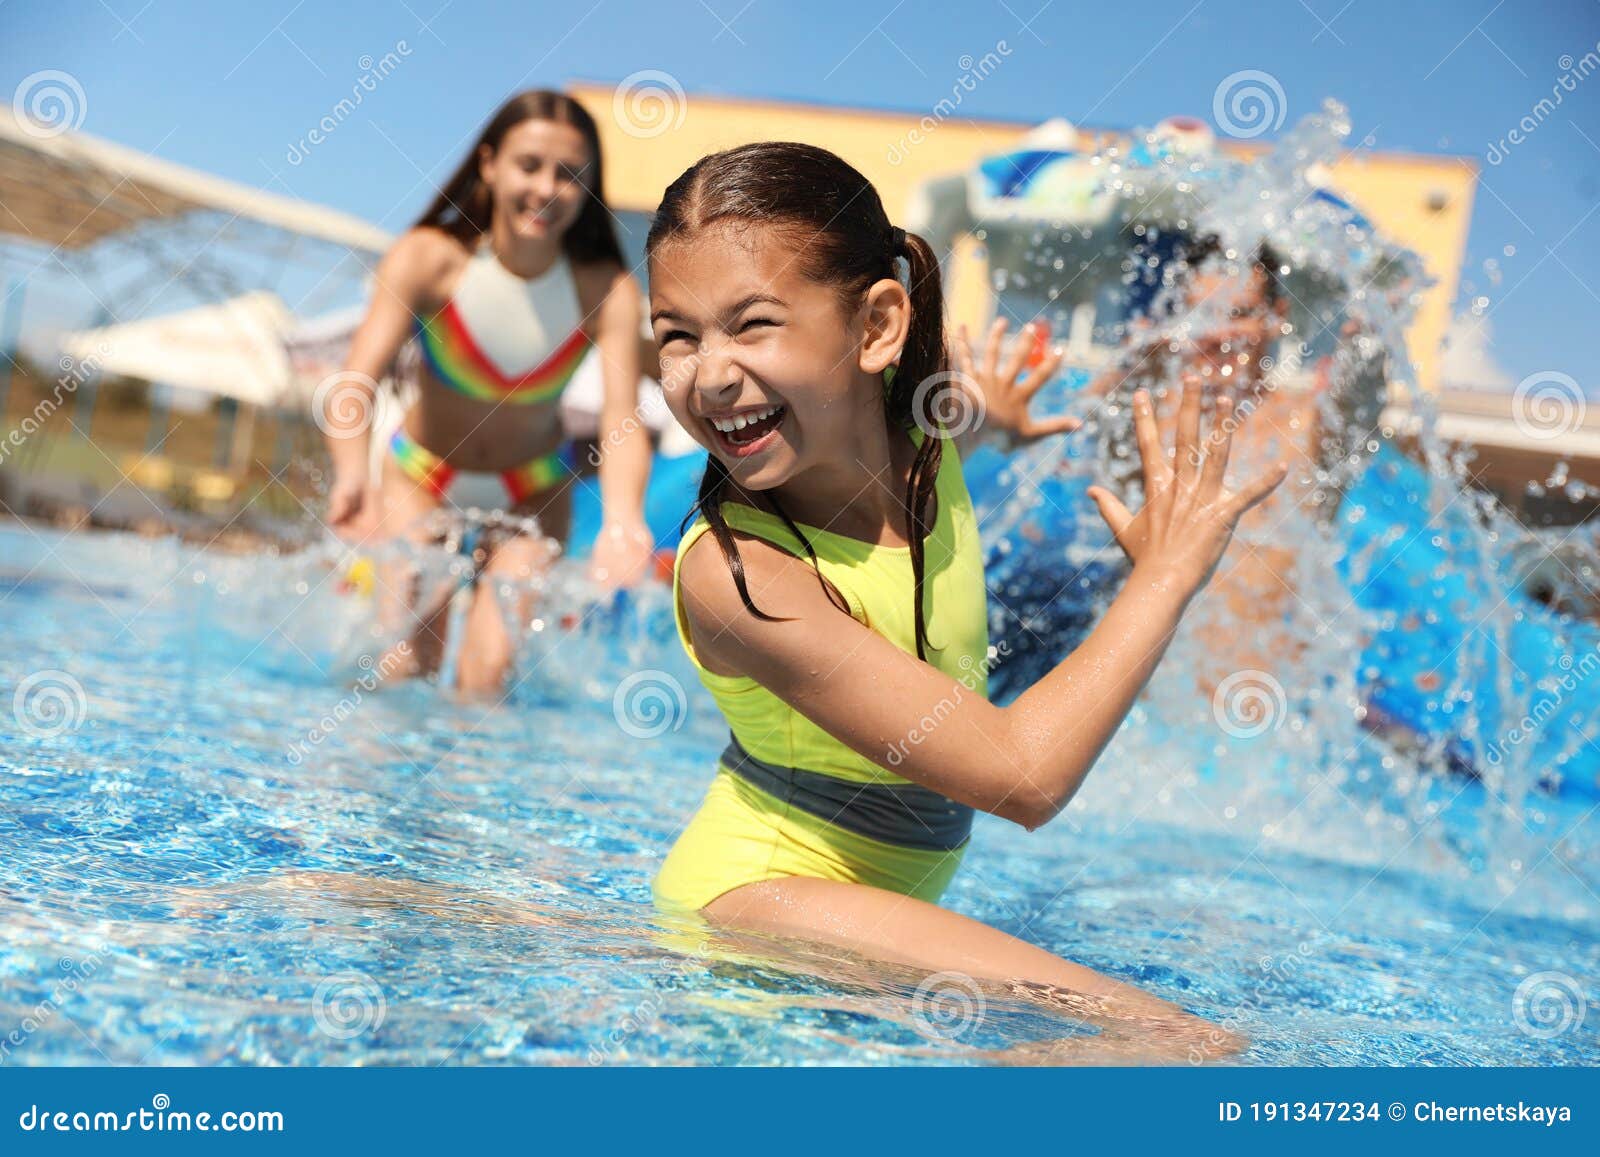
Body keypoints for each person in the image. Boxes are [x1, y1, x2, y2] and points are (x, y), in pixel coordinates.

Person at [644, 142, 1287, 1061]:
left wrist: (1007, 419)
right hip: (758, 897)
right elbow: (1026, 778)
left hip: (869, 895)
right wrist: (1165, 576)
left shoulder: (926, 436)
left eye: (752, 324)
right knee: (1168, 1040)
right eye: (677, 334)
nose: (709, 373)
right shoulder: (742, 574)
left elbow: (956, 420)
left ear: (876, 328)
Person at [321, 89, 655, 692]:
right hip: (422, 480)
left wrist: (624, 521)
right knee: (403, 667)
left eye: (570, 175)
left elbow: (620, 420)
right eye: (529, 166)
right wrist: (351, 473)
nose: (547, 189)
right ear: (489, 165)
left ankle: (470, 789)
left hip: (532, 492)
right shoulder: (429, 261)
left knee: (488, 675)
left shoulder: (605, 290)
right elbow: (355, 382)